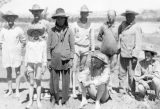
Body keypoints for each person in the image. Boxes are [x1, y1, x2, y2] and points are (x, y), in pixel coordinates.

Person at [47, 8, 75, 105]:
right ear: (56, 19)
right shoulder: (51, 31)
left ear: (65, 19)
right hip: (54, 59)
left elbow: (72, 46)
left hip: (66, 59)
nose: (60, 20)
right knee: (54, 80)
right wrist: (48, 59)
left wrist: (71, 59)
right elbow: (48, 47)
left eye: (62, 18)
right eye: (58, 18)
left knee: (66, 81)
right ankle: (55, 97)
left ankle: (65, 99)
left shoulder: (69, 31)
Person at [0, 11, 26, 97]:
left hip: (16, 54)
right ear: (6, 19)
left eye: (12, 18)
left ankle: (17, 90)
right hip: (6, 54)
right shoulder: (3, 30)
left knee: (17, 72)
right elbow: (0, 42)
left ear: (14, 19)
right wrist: (3, 50)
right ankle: (10, 90)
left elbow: (23, 41)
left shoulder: (18, 30)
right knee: (8, 72)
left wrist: (19, 50)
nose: (10, 19)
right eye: (8, 18)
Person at [71, 5, 95, 98]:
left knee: (82, 69)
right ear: (80, 13)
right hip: (76, 47)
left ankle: (80, 88)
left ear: (87, 14)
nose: (84, 14)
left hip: (85, 48)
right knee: (74, 68)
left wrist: (92, 49)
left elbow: (92, 37)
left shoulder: (91, 24)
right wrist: (72, 49)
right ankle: (73, 89)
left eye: (86, 13)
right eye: (83, 13)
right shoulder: (75, 24)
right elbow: (72, 38)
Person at [118, 10, 142, 96]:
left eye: (130, 16)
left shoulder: (137, 27)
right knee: (121, 73)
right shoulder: (122, 25)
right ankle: (121, 90)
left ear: (134, 17)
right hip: (123, 54)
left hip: (132, 55)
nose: (128, 18)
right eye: (127, 16)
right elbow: (119, 36)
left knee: (131, 75)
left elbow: (139, 43)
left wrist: (135, 55)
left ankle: (132, 91)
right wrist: (118, 49)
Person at [25, 25, 47, 109]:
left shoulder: (43, 42)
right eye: (34, 32)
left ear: (39, 33)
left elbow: (44, 54)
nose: (36, 34)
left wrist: (44, 65)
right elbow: (26, 54)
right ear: (32, 34)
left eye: (37, 32)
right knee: (31, 82)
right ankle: (30, 100)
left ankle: (38, 100)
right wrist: (26, 65)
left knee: (38, 82)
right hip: (30, 63)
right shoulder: (29, 42)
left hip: (39, 64)